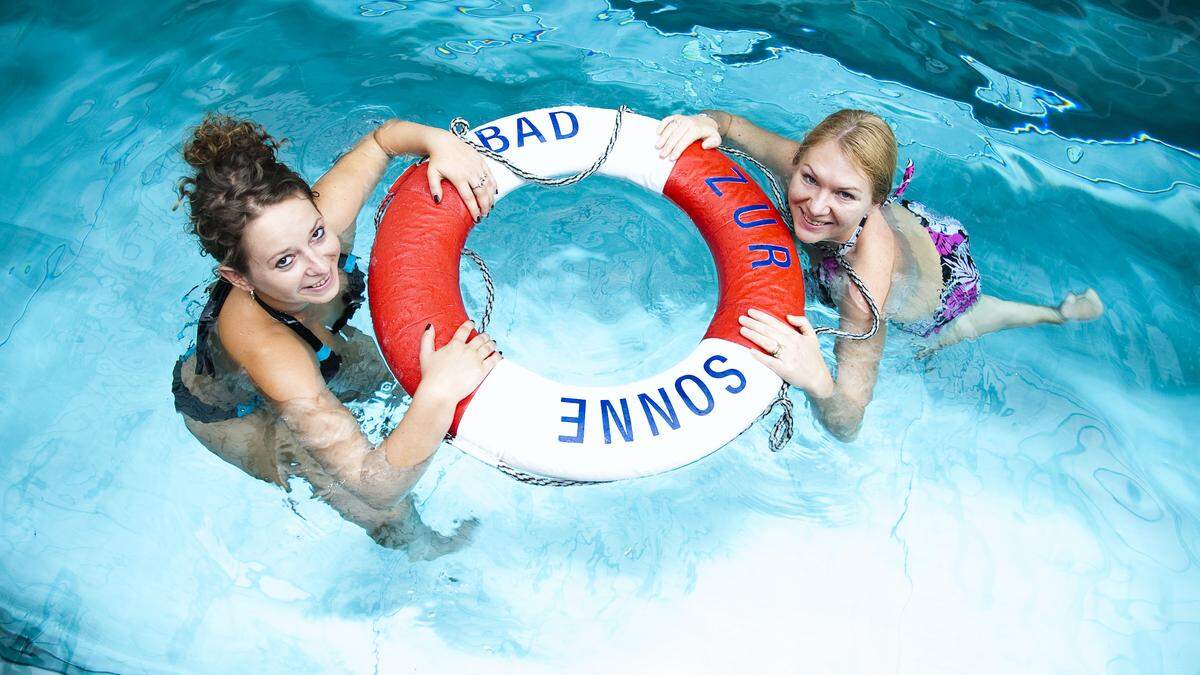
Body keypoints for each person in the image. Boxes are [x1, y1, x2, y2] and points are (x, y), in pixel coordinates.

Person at [655, 109, 1104, 441]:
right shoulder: (808, 165)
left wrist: (816, 377)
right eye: (809, 179)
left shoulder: (862, 290)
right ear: (802, 160)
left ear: (875, 199)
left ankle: (1055, 313)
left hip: (939, 288)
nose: (814, 205)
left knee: (964, 324)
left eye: (844, 194)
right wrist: (703, 123)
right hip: (894, 232)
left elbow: (849, 420)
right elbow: (730, 127)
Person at [172, 113, 500, 555]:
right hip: (236, 411)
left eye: (317, 233)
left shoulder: (317, 219)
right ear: (240, 277)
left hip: (321, 343)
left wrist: (440, 142)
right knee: (379, 508)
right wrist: (437, 396)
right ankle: (427, 555)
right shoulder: (273, 354)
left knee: (391, 386)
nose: (320, 263)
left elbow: (384, 140)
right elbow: (376, 487)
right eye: (284, 261)